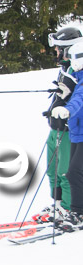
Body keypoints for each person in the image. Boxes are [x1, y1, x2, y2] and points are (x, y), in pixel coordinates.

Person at [35, 27, 83, 224]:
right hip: (57, 126)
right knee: (53, 170)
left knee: (68, 172)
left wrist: (66, 107)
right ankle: (60, 204)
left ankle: (71, 207)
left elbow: (79, 97)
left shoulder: (77, 69)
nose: (55, 52)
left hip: (70, 129)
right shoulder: (67, 69)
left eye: (58, 49)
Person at [51, 40, 83, 231]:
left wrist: (67, 110)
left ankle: (78, 212)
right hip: (77, 133)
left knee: (73, 173)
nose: (71, 61)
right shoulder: (78, 77)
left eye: (74, 58)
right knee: (75, 173)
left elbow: (79, 99)